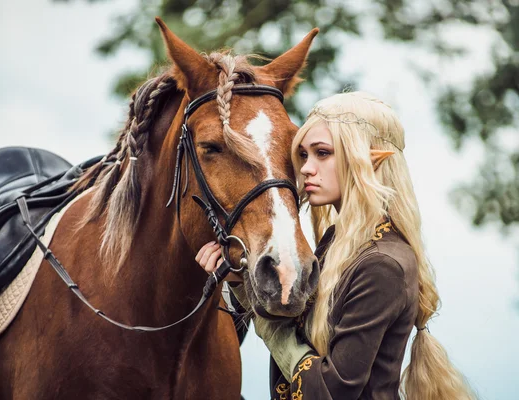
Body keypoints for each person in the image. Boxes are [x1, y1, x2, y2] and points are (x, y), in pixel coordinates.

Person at [196, 91, 475, 399]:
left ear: (370, 158)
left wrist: (267, 326)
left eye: (323, 153)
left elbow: (330, 391)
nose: (305, 169)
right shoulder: (336, 244)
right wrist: (240, 282)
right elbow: (301, 353)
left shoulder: (384, 264)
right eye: (303, 155)